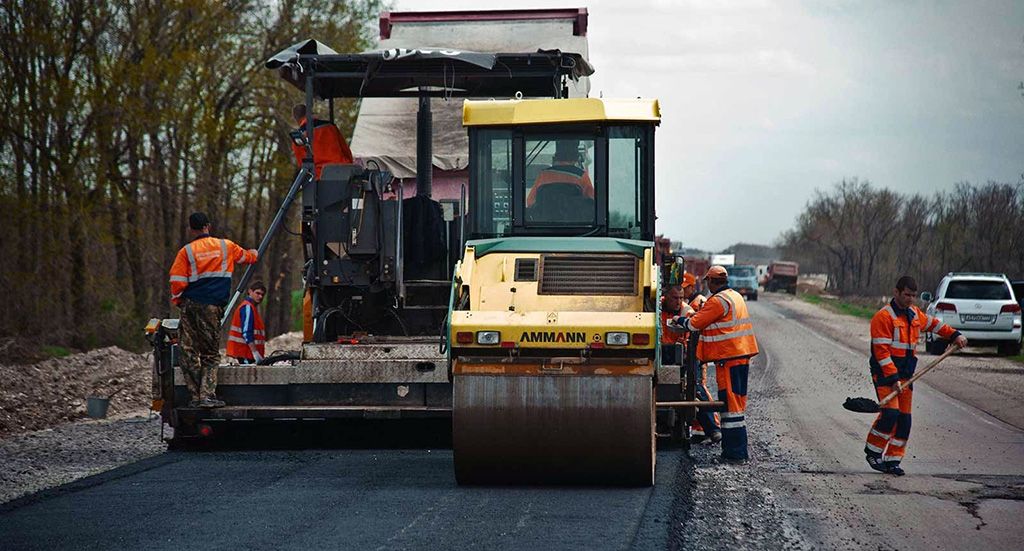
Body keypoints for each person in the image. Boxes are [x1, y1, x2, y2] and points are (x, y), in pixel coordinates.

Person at [864, 276, 967, 476]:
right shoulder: (883, 317)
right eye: (906, 295)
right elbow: (882, 352)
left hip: (906, 376)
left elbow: (936, 325)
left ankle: (893, 461)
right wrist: (893, 379)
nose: (910, 299)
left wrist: (955, 335)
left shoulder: (914, 314)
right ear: (896, 292)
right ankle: (873, 452)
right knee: (890, 414)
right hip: (885, 375)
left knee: (904, 420)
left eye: (913, 295)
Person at [169, 212, 258, 408]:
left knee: (188, 351)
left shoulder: (186, 252)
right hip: (212, 306)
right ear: (208, 226)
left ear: (191, 229)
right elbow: (248, 257)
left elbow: (177, 281)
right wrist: (255, 253)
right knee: (209, 353)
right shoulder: (226, 246)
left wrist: (179, 301)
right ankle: (207, 396)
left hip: (190, 305)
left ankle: (194, 396)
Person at [675, 265, 758, 461]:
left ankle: (734, 454)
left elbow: (694, 324)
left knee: (731, 408)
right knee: (735, 404)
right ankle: (736, 452)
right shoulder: (735, 296)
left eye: (708, 281)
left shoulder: (718, 301)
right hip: (739, 355)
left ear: (712, 281)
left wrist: (679, 320)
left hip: (729, 357)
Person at [291, 103, 354, 179]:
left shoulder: (299, 137)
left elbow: (303, 164)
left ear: (296, 119)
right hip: (343, 171)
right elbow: (346, 150)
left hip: (321, 176)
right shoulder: (330, 126)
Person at [526, 139, 595, 207]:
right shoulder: (581, 176)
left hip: (546, 218)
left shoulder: (543, 175)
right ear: (576, 157)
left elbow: (530, 201)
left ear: (555, 157)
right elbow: (592, 203)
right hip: (574, 218)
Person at [227, 281, 267, 364]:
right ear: (250, 291)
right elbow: (246, 332)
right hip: (245, 353)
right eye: (257, 293)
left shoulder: (250, 307)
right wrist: (255, 353)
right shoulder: (247, 307)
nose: (260, 297)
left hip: (246, 353)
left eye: (262, 295)